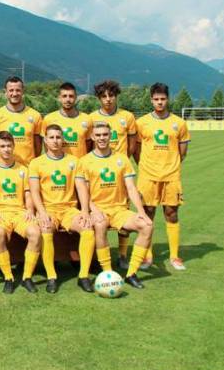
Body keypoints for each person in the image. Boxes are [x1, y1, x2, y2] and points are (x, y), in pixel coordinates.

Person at [75, 122, 153, 289]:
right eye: (98, 135)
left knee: (147, 226)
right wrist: (93, 210)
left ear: (110, 136)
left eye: (105, 134)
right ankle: (108, 273)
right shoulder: (85, 161)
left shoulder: (122, 159)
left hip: (120, 210)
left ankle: (131, 274)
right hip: (98, 209)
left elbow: (131, 188)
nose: (102, 138)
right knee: (100, 224)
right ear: (92, 137)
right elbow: (83, 192)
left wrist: (141, 211)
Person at [28, 124, 94, 294]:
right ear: (45, 140)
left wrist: (85, 211)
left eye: (58, 137)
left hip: (69, 210)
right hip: (48, 209)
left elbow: (81, 188)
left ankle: (83, 276)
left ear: (63, 139)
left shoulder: (74, 161)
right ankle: (51, 277)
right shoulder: (36, 163)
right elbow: (34, 191)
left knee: (87, 228)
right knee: (45, 228)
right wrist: (41, 212)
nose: (55, 140)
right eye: (51, 137)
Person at [134, 83, 191, 271]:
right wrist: (146, 166)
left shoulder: (179, 123)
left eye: (163, 99)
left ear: (168, 99)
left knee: (171, 213)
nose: (160, 102)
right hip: (148, 176)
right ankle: (147, 256)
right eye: (156, 99)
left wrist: (170, 165)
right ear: (151, 100)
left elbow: (182, 152)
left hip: (171, 176)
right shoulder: (142, 122)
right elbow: (136, 149)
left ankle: (174, 256)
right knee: (147, 213)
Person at [0, 131, 41, 294]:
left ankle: (27, 277)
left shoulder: (23, 169)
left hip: (20, 212)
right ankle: (8, 277)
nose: (6, 149)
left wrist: (30, 209)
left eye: (9, 146)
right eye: (3, 146)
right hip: (0, 213)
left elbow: (28, 193)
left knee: (35, 233)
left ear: (13, 146)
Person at [88, 79, 138, 268]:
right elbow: (88, 145)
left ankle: (123, 255)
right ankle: (97, 255)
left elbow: (132, 144)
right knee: (97, 215)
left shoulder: (127, 116)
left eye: (111, 95)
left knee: (123, 213)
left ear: (116, 96)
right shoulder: (92, 118)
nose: (108, 99)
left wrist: (122, 162)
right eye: (104, 96)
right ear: (99, 98)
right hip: (98, 172)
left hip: (119, 171)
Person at [0, 76, 42, 166]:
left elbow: (38, 146)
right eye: (11, 90)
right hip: (4, 168)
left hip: (27, 168)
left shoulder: (35, 115)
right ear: (6, 92)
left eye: (18, 90)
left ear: (23, 91)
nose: (14, 93)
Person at [40, 82, 92, 158]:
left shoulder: (87, 119)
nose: (68, 99)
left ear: (76, 97)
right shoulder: (48, 119)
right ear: (59, 98)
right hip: (57, 163)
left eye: (71, 96)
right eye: (64, 96)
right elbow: (46, 144)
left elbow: (89, 145)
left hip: (79, 163)